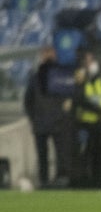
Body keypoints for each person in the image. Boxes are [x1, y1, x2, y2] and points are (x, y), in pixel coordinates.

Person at [22, 46, 76, 188]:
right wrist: (33, 117)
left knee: (58, 153)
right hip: (44, 122)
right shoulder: (37, 77)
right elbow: (28, 100)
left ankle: (58, 178)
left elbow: (69, 98)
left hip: (53, 122)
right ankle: (47, 180)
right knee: (45, 154)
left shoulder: (57, 75)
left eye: (49, 54)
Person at [72, 49, 101, 188]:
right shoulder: (82, 80)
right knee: (85, 155)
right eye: (88, 61)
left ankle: (99, 182)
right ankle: (84, 182)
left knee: (99, 156)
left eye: (92, 60)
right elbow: (81, 99)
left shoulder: (99, 80)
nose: (91, 64)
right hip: (86, 124)